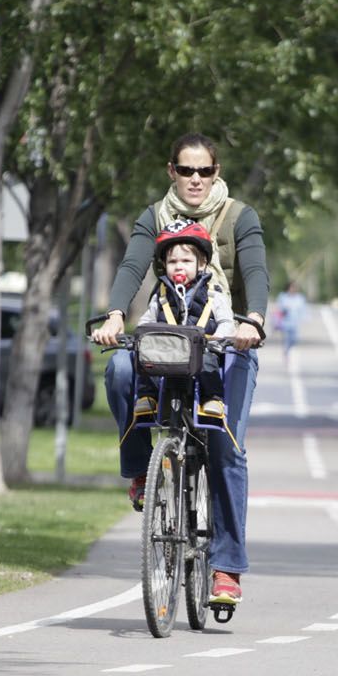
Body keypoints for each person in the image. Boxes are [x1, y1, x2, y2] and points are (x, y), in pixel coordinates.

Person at [91, 133, 270, 609]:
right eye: (186, 171)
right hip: (166, 337)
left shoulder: (239, 216)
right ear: (172, 171)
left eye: (204, 171)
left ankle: (227, 568)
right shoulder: (155, 215)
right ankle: (140, 472)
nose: (195, 180)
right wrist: (113, 314)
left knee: (226, 444)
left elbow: (255, 273)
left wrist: (253, 321)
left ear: (215, 172)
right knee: (120, 372)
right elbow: (132, 266)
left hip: (224, 341)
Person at [130, 220, 234, 426]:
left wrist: (220, 337)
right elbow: (146, 321)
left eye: (186, 261)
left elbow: (226, 322)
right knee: (148, 359)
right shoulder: (160, 295)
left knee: (208, 360)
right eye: (172, 262)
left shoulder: (213, 295)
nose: (179, 266)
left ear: (201, 263)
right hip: (168, 352)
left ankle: (212, 398)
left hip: (200, 350)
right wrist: (138, 335)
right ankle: (148, 397)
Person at [271, 280, 308, 364]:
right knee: (287, 340)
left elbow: (303, 309)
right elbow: (278, 308)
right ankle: (286, 354)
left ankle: (288, 350)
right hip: (285, 323)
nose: (293, 289)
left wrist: (304, 318)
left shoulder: (299, 298)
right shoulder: (283, 296)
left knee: (294, 340)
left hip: (295, 323)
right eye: (292, 287)